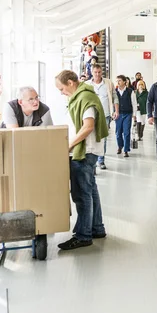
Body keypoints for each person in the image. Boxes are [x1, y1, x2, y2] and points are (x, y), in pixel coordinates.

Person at [54, 70, 108, 251]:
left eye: (62, 88)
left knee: (81, 194)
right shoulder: (81, 96)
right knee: (90, 190)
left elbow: (88, 126)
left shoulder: (84, 97)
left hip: (84, 152)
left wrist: (69, 145)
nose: (61, 93)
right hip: (86, 151)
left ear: (70, 82)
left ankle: (84, 235)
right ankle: (96, 228)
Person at [86, 64, 119, 170]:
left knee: (102, 138)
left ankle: (101, 160)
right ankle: (93, 162)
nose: (97, 74)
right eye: (95, 72)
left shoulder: (108, 83)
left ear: (101, 72)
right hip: (91, 115)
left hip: (105, 115)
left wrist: (116, 111)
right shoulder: (87, 84)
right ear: (91, 72)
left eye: (99, 72)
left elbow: (115, 97)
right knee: (92, 138)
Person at [115, 75, 136, 158]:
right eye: (117, 81)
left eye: (119, 80)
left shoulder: (130, 91)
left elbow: (134, 103)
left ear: (124, 82)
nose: (118, 82)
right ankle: (120, 146)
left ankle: (126, 150)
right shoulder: (115, 91)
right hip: (118, 114)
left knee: (126, 132)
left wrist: (134, 115)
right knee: (118, 133)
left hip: (128, 114)